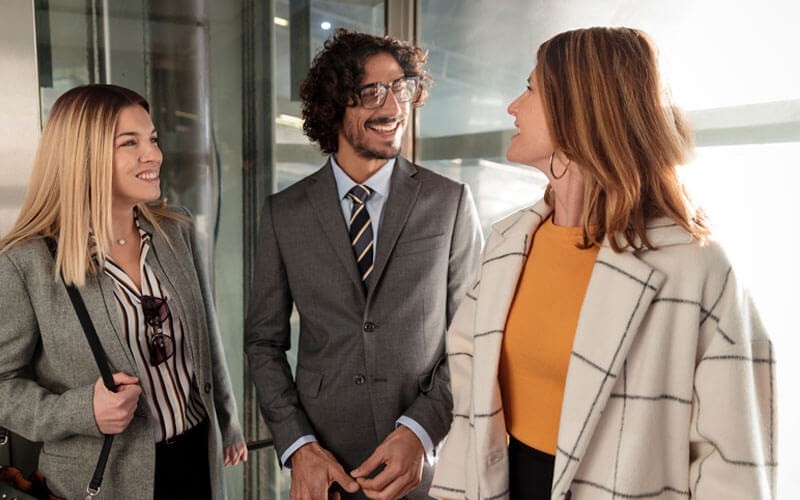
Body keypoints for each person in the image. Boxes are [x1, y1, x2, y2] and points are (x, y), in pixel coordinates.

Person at [431, 27, 776, 500]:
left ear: (579, 108)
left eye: (530, 89)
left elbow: (734, 464)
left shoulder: (695, 267)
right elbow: (471, 411)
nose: (513, 106)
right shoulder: (509, 241)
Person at [245, 29, 482, 499]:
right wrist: (299, 446)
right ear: (335, 104)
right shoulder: (283, 213)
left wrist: (421, 430)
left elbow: (473, 337)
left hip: (428, 468)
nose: (392, 107)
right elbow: (262, 343)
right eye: (372, 91)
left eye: (400, 88)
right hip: (325, 470)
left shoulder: (449, 202)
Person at [0, 84, 247, 499]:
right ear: (84, 155)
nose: (153, 154)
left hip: (195, 459)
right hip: (105, 478)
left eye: (151, 139)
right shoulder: (26, 262)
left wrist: (228, 422)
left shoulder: (176, 229)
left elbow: (207, 337)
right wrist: (81, 411)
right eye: (129, 143)